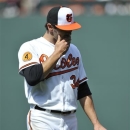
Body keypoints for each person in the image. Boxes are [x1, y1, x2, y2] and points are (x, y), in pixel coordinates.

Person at [18, 6, 107, 130]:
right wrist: (57, 53)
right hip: (43, 118)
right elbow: (32, 78)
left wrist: (96, 123)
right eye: (64, 29)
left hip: (70, 119)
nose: (69, 33)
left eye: (70, 29)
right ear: (50, 27)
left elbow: (82, 89)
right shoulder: (31, 47)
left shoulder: (74, 50)